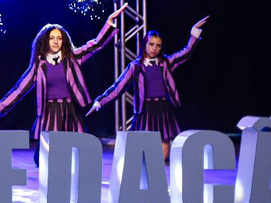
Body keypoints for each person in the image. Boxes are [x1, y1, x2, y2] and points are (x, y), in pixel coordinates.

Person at [0, 5, 128, 146]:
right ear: (45, 40)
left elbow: (96, 44)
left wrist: (109, 22)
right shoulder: (38, 65)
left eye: (59, 38)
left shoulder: (73, 57)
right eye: (52, 38)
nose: (56, 41)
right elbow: (19, 89)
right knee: (50, 152)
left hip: (70, 109)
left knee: (73, 149)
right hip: (49, 112)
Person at [86, 16, 209, 161]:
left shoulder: (167, 63)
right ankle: (144, 178)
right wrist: (100, 101)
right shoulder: (135, 67)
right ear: (145, 45)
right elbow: (117, 87)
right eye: (151, 44)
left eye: (158, 45)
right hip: (144, 109)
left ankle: (159, 175)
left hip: (163, 108)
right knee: (140, 149)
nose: (154, 48)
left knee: (164, 144)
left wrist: (194, 32)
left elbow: (187, 52)